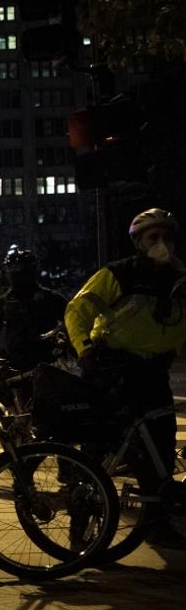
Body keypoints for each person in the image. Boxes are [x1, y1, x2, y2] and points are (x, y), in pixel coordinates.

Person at [65, 208, 186, 542]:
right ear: (138, 243)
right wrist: (85, 350)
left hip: (154, 371)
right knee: (99, 450)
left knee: (161, 448)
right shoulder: (118, 274)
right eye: (153, 238)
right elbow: (78, 310)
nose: (162, 244)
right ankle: (82, 529)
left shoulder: (180, 279)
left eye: (167, 237)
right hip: (113, 371)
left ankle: (157, 524)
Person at [0, 248, 67, 370]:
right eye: (12, 269)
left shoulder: (50, 298)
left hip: (46, 364)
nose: (16, 273)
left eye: (20, 269)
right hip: (14, 365)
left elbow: (72, 323)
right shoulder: (3, 303)